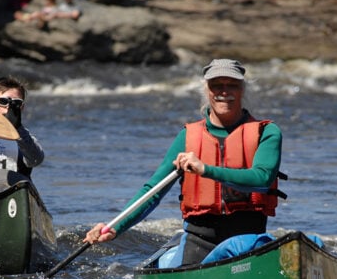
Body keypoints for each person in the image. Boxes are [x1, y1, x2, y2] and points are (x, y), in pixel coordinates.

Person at [84, 59, 284, 266]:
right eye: (216, 85)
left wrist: (205, 169)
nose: (224, 91)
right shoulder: (187, 137)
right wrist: (114, 228)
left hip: (248, 237)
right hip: (200, 240)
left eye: (232, 85)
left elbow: (261, 179)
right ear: (207, 90)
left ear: (243, 90)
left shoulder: (266, 132)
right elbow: (153, 191)